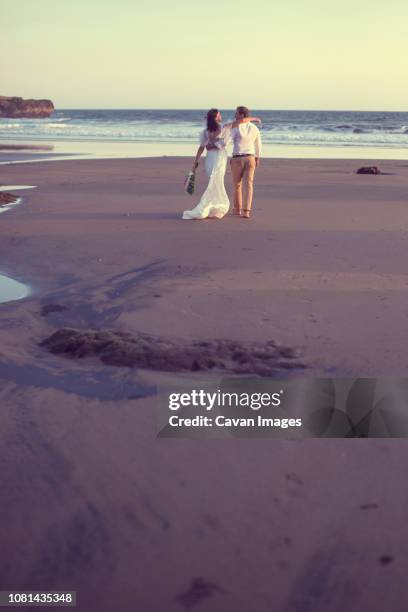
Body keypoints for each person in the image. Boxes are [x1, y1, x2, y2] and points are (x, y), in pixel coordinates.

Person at [182, 109, 261, 220]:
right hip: (219, 157)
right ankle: (213, 207)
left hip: (210, 157)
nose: (221, 116)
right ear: (216, 117)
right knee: (216, 181)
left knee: (212, 181)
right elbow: (241, 121)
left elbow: (202, 147)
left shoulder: (206, 130)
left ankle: (211, 206)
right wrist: (255, 118)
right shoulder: (224, 126)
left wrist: (196, 161)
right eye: (219, 114)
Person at [230, 106, 262, 219]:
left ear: (242, 115)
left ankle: (237, 209)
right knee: (249, 185)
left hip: (238, 158)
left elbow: (228, 140)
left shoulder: (236, 127)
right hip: (251, 158)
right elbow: (258, 144)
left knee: (237, 184)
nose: (235, 115)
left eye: (236, 113)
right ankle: (246, 211)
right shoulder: (254, 128)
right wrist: (258, 157)